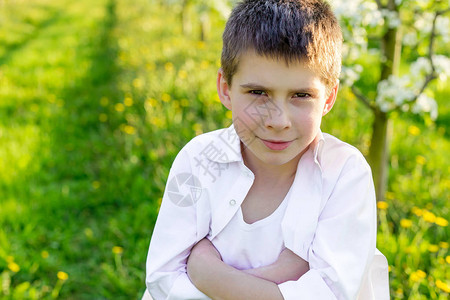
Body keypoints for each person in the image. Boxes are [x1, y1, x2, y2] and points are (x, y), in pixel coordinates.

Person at [143, 0, 389, 299]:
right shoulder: (199, 159)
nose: (277, 121)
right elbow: (162, 277)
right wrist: (285, 276)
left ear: (329, 97)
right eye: (258, 92)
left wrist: (207, 272)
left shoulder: (344, 174)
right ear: (225, 88)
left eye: (301, 95)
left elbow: (330, 293)